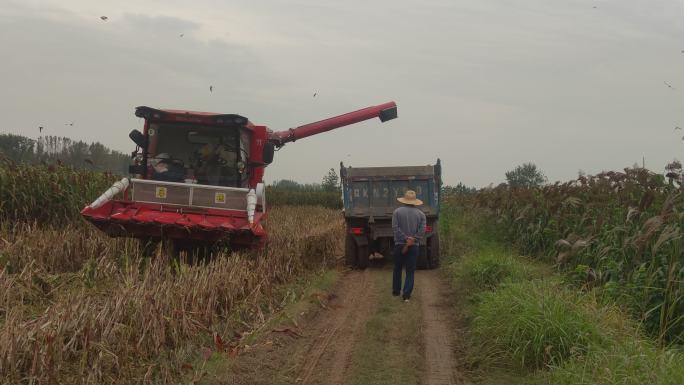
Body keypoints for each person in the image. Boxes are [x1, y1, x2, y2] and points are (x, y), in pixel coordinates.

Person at [392, 190, 426, 302]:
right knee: (410, 271)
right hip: (414, 246)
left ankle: (396, 292)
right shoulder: (421, 214)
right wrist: (413, 239)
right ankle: (406, 295)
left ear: (404, 200)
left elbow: (395, 228)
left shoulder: (396, 212)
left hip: (399, 245)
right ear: (415, 201)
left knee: (397, 268)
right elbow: (422, 230)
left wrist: (405, 238)